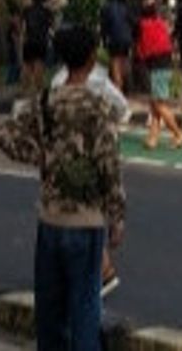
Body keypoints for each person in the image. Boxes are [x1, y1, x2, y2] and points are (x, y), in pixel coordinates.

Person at [0, 25, 125, 351]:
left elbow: (3, 134)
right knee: (84, 311)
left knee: (50, 315)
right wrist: (117, 216)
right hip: (87, 222)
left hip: (50, 221)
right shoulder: (98, 106)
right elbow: (109, 164)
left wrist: (41, 157)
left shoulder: (45, 101)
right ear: (93, 57)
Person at [51, 57, 131, 299]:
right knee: (91, 210)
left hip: (74, 157)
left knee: (78, 216)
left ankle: (99, 273)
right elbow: (122, 108)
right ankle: (102, 270)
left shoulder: (58, 83)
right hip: (101, 149)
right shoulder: (100, 77)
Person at [134, 0, 182, 150]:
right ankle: (153, 138)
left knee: (159, 104)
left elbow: (139, 47)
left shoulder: (141, 26)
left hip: (157, 67)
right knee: (154, 104)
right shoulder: (160, 24)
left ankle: (178, 134)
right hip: (164, 65)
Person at [99, 0, 133, 93]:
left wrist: (103, 40)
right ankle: (126, 84)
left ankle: (118, 88)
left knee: (115, 62)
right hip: (127, 38)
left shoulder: (106, 7)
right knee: (124, 60)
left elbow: (104, 26)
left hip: (114, 38)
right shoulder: (125, 7)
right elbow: (132, 22)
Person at [21, 0, 56, 91]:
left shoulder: (26, 10)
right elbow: (52, 27)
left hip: (28, 40)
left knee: (26, 66)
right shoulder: (47, 12)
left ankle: (25, 90)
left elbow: (23, 26)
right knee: (39, 65)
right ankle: (38, 90)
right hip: (41, 41)